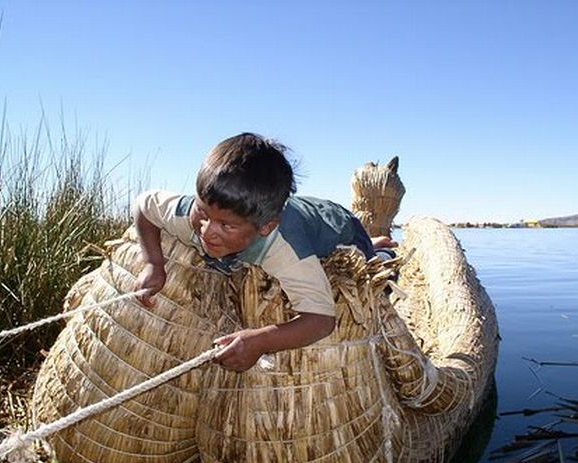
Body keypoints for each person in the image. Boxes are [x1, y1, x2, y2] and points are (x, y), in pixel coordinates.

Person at [133, 132, 397, 372]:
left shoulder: (283, 249)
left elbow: (321, 319)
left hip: (338, 226)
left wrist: (261, 341)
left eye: (226, 225)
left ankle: (380, 250)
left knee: (375, 275)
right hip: (291, 211)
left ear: (266, 228)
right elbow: (144, 207)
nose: (206, 231)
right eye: (202, 211)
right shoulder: (191, 211)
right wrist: (153, 264)